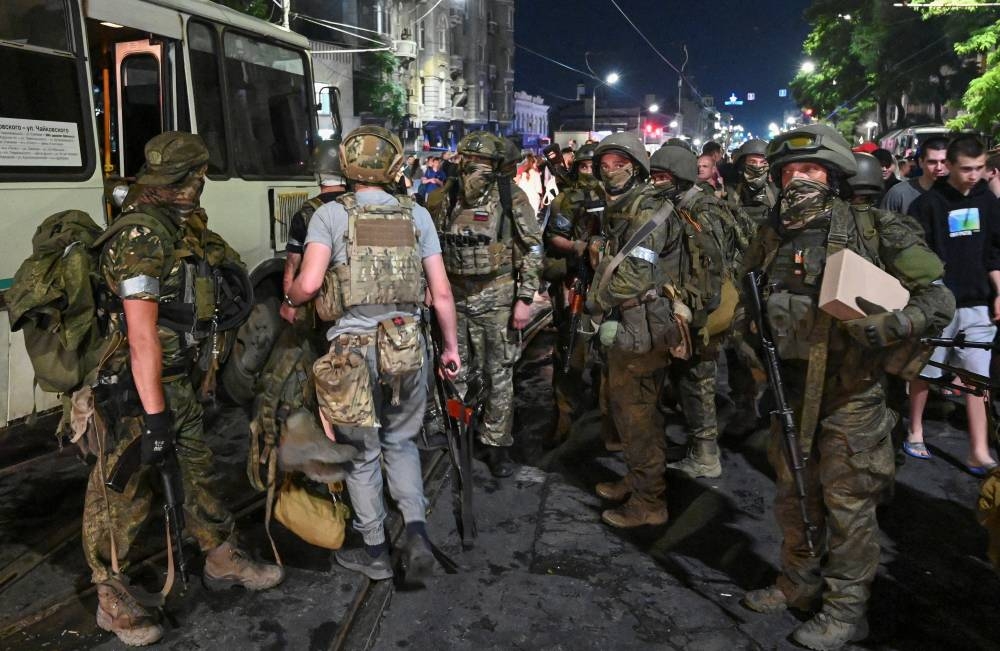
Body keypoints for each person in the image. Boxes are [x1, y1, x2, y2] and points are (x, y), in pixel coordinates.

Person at [740, 124, 954, 650]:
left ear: (833, 176)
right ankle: (796, 581)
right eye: (789, 171)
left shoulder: (879, 229)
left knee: (849, 508)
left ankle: (845, 610)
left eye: (810, 170)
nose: (798, 180)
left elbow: (938, 302)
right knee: (793, 498)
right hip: (791, 395)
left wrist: (892, 325)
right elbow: (750, 304)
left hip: (851, 396)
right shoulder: (771, 235)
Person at [84, 132, 284, 647]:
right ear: (185, 179)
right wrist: (152, 418)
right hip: (133, 389)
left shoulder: (180, 228)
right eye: (198, 177)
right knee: (122, 492)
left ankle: (219, 553)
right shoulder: (140, 238)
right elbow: (141, 334)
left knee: (195, 470)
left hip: (176, 383)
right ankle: (110, 591)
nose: (201, 186)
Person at [284, 125, 461, 583]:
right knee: (400, 443)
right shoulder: (417, 215)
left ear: (347, 166)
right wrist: (452, 349)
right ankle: (417, 531)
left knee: (361, 454)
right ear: (394, 167)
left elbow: (306, 286)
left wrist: (290, 300)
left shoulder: (331, 216)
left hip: (352, 354)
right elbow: (441, 293)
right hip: (406, 346)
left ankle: (376, 551)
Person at [426, 131, 544, 477]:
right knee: (455, 372)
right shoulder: (444, 199)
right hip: (455, 300)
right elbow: (430, 247)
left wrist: (525, 299)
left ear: (495, 166)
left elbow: (532, 249)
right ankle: (459, 433)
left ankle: (496, 444)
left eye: (481, 163)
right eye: (467, 160)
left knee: (498, 375)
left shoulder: (511, 198)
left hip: (498, 300)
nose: (472, 168)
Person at [584, 132, 673, 528]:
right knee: (633, 412)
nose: (610, 170)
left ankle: (649, 501)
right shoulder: (625, 206)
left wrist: (597, 300)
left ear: (636, 167)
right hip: (630, 322)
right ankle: (639, 481)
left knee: (636, 414)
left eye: (619, 163)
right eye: (605, 164)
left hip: (640, 326)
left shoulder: (647, 212)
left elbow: (635, 276)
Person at [905, 136, 1000, 474]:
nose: (974, 175)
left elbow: (994, 251)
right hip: (938, 304)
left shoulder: (988, 203)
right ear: (951, 167)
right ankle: (915, 428)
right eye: (967, 169)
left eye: (979, 169)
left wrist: (998, 291)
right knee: (925, 371)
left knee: (977, 378)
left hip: (977, 304)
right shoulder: (928, 204)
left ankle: (979, 449)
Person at [650, 144, 743, 478]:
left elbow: (712, 267)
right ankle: (697, 444)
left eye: (662, 177)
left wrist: (696, 312)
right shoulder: (681, 203)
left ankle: (705, 455)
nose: (656, 183)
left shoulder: (700, 209)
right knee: (686, 379)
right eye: (654, 176)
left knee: (697, 380)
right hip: (687, 306)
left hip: (703, 309)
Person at [542, 143, 606, 448]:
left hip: (612, 287)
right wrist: (579, 248)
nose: (591, 173)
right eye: (584, 167)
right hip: (578, 282)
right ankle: (565, 417)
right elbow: (554, 237)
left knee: (612, 356)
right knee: (570, 354)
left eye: (596, 167)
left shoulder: (622, 199)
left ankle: (607, 421)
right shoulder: (567, 201)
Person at [281, 140, 349, 323]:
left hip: (319, 307)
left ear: (318, 175)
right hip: (356, 303)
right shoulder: (360, 209)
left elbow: (291, 267)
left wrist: (289, 303)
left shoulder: (306, 214)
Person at [880, 137, 949, 215]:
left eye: (944, 162)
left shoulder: (960, 193)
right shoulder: (899, 194)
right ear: (921, 162)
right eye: (932, 162)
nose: (939, 168)